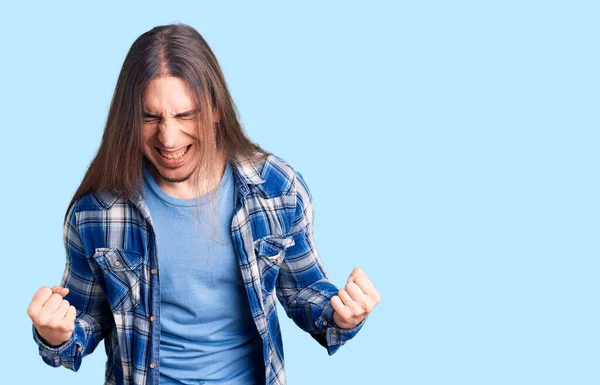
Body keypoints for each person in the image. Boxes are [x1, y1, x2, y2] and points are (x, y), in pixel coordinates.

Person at [26, 23, 381, 385]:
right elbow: (84, 320)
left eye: (184, 115)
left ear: (215, 109)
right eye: (150, 117)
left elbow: (304, 292)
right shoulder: (97, 212)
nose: (168, 137)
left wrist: (342, 314)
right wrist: (56, 334)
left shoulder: (277, 188)